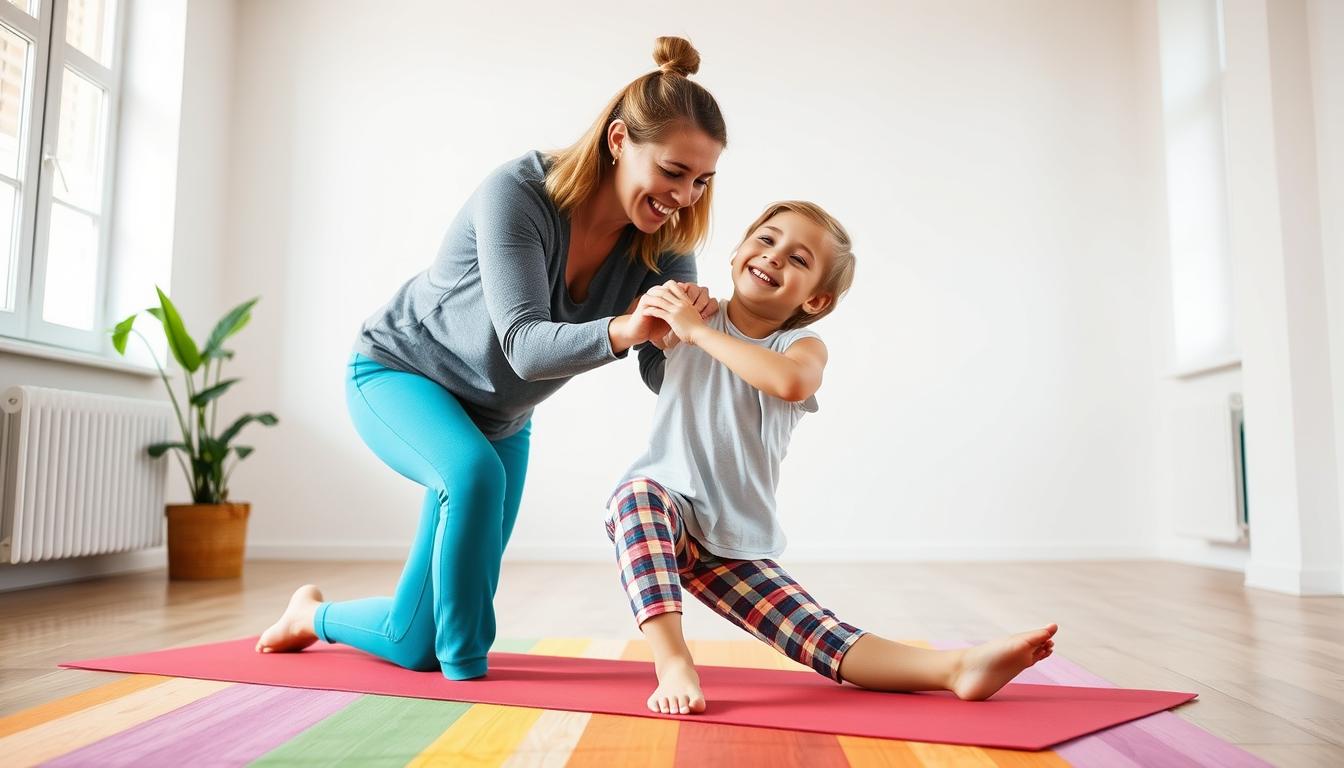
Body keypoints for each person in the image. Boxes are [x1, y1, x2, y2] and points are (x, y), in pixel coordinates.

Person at [256, 36, 726, 681]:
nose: (684, 196)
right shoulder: (520, 191)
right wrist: (628, 326)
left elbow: (656, 371)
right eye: (673, 172)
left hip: (501, 416)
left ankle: (313, 615)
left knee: (412, 639)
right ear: (619, 141)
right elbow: (528, 346)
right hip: (400, 373)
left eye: (702, 181)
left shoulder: (666, 241)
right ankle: (468, 682)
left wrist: (692, 337)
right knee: (475, 480)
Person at [609, 200, 1059, 714]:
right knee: (636, 497)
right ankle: (671, 661)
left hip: (732, 535)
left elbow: (791, 381)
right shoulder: (695, 316)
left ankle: (956, 669)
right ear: (737, 252)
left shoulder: (800, 343)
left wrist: (699, 333)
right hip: (668, 508)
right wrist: (664, 310)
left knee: (819, 634)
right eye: (767, 239)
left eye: (798, 260)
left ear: (817, 300)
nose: (775, 256)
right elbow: (637, 322)